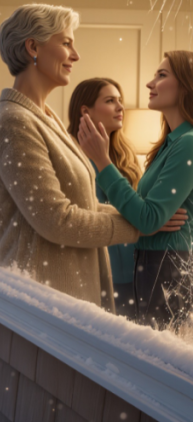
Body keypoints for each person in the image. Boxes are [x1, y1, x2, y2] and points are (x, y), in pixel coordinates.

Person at [0, 3, 143, 311]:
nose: (76, 55)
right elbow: (57, 220)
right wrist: (140, 227)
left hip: (68, 298)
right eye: (67, 43)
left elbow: (83, 204)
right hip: (46, 305)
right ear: (33, 47)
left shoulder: (44, 116)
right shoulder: (15, 122)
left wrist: (142, 216)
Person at [78, 51, 193, 331]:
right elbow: (146, 215)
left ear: (186, 85)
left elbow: (147, 218)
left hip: (166, 266)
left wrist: (103, 161)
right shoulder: (170, 145)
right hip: (151, 265)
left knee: (158, 355)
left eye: (162, 75)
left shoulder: (188, 143)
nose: (150, 83)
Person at [67, 78, 141, 317]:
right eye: (110, 101)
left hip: (137, 271)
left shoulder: (126, 155)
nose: (120, 107)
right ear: (85, 111)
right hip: (99, 274)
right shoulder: (71, 159)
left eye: (120, 100)